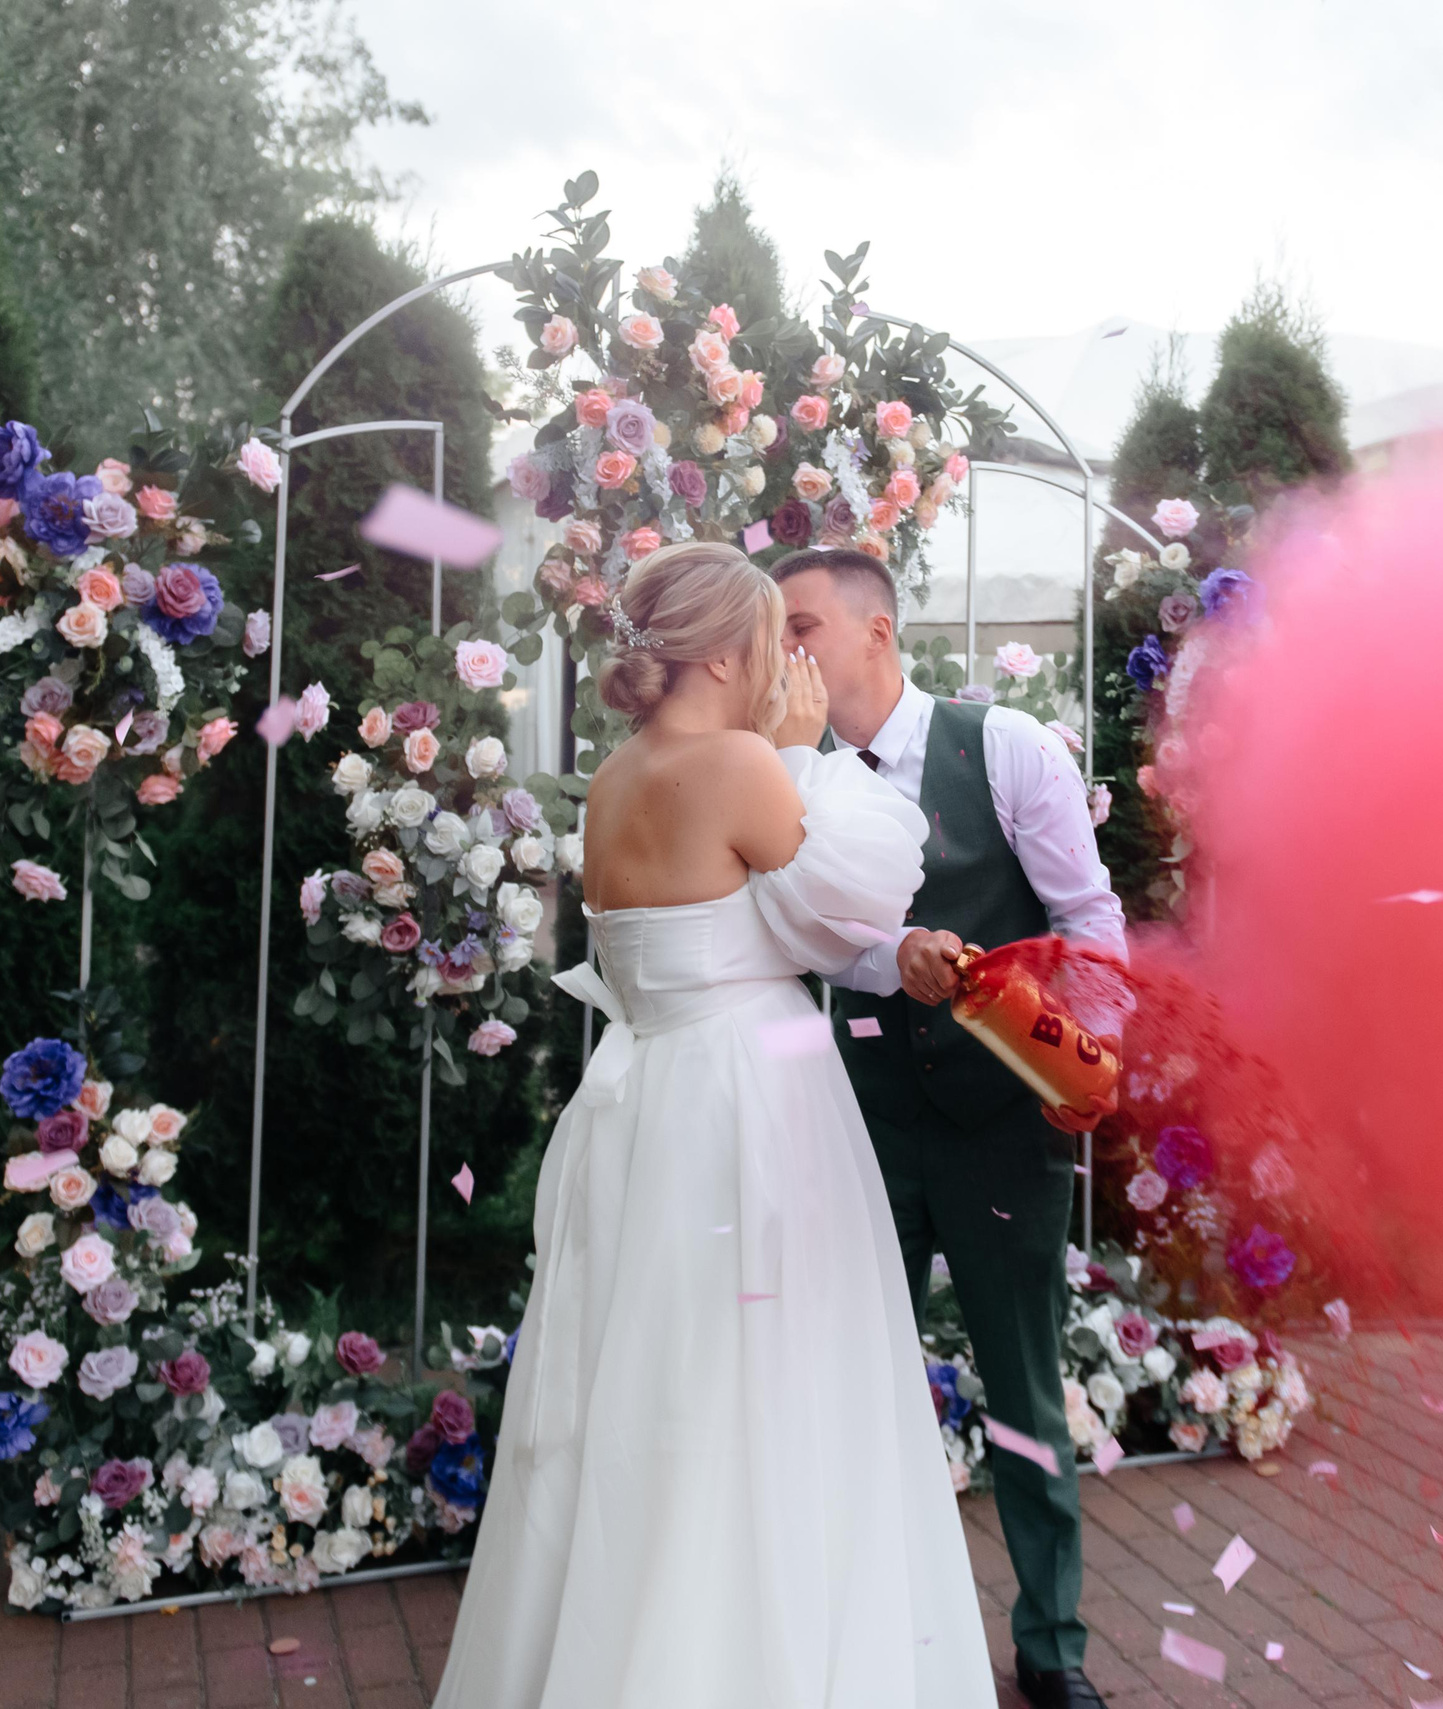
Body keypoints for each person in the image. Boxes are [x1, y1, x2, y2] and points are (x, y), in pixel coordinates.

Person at [431, 543, 994, 1708]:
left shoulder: (626, 774)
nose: (789, 664)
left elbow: (775, 922)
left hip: (645, 1111)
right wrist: (800, 754)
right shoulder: (742, 761)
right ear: (733, 649)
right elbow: (870, 877)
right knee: (762, 1389)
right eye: (776, 643)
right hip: (747, 1109)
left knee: (656, 1393)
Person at [775, 547, 1127, 1709]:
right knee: (856, 1381)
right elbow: (811, 944)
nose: (788, 650)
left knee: (1023, 1388)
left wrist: (1080, 1055)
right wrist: (894, 959)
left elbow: (1086, 917)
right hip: (860, 1125)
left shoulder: (1006, 745)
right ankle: (867, 1638)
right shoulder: (790, 779)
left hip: (999, 1131)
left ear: (876, 631)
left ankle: (1054, 1644)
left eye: (803, 626)